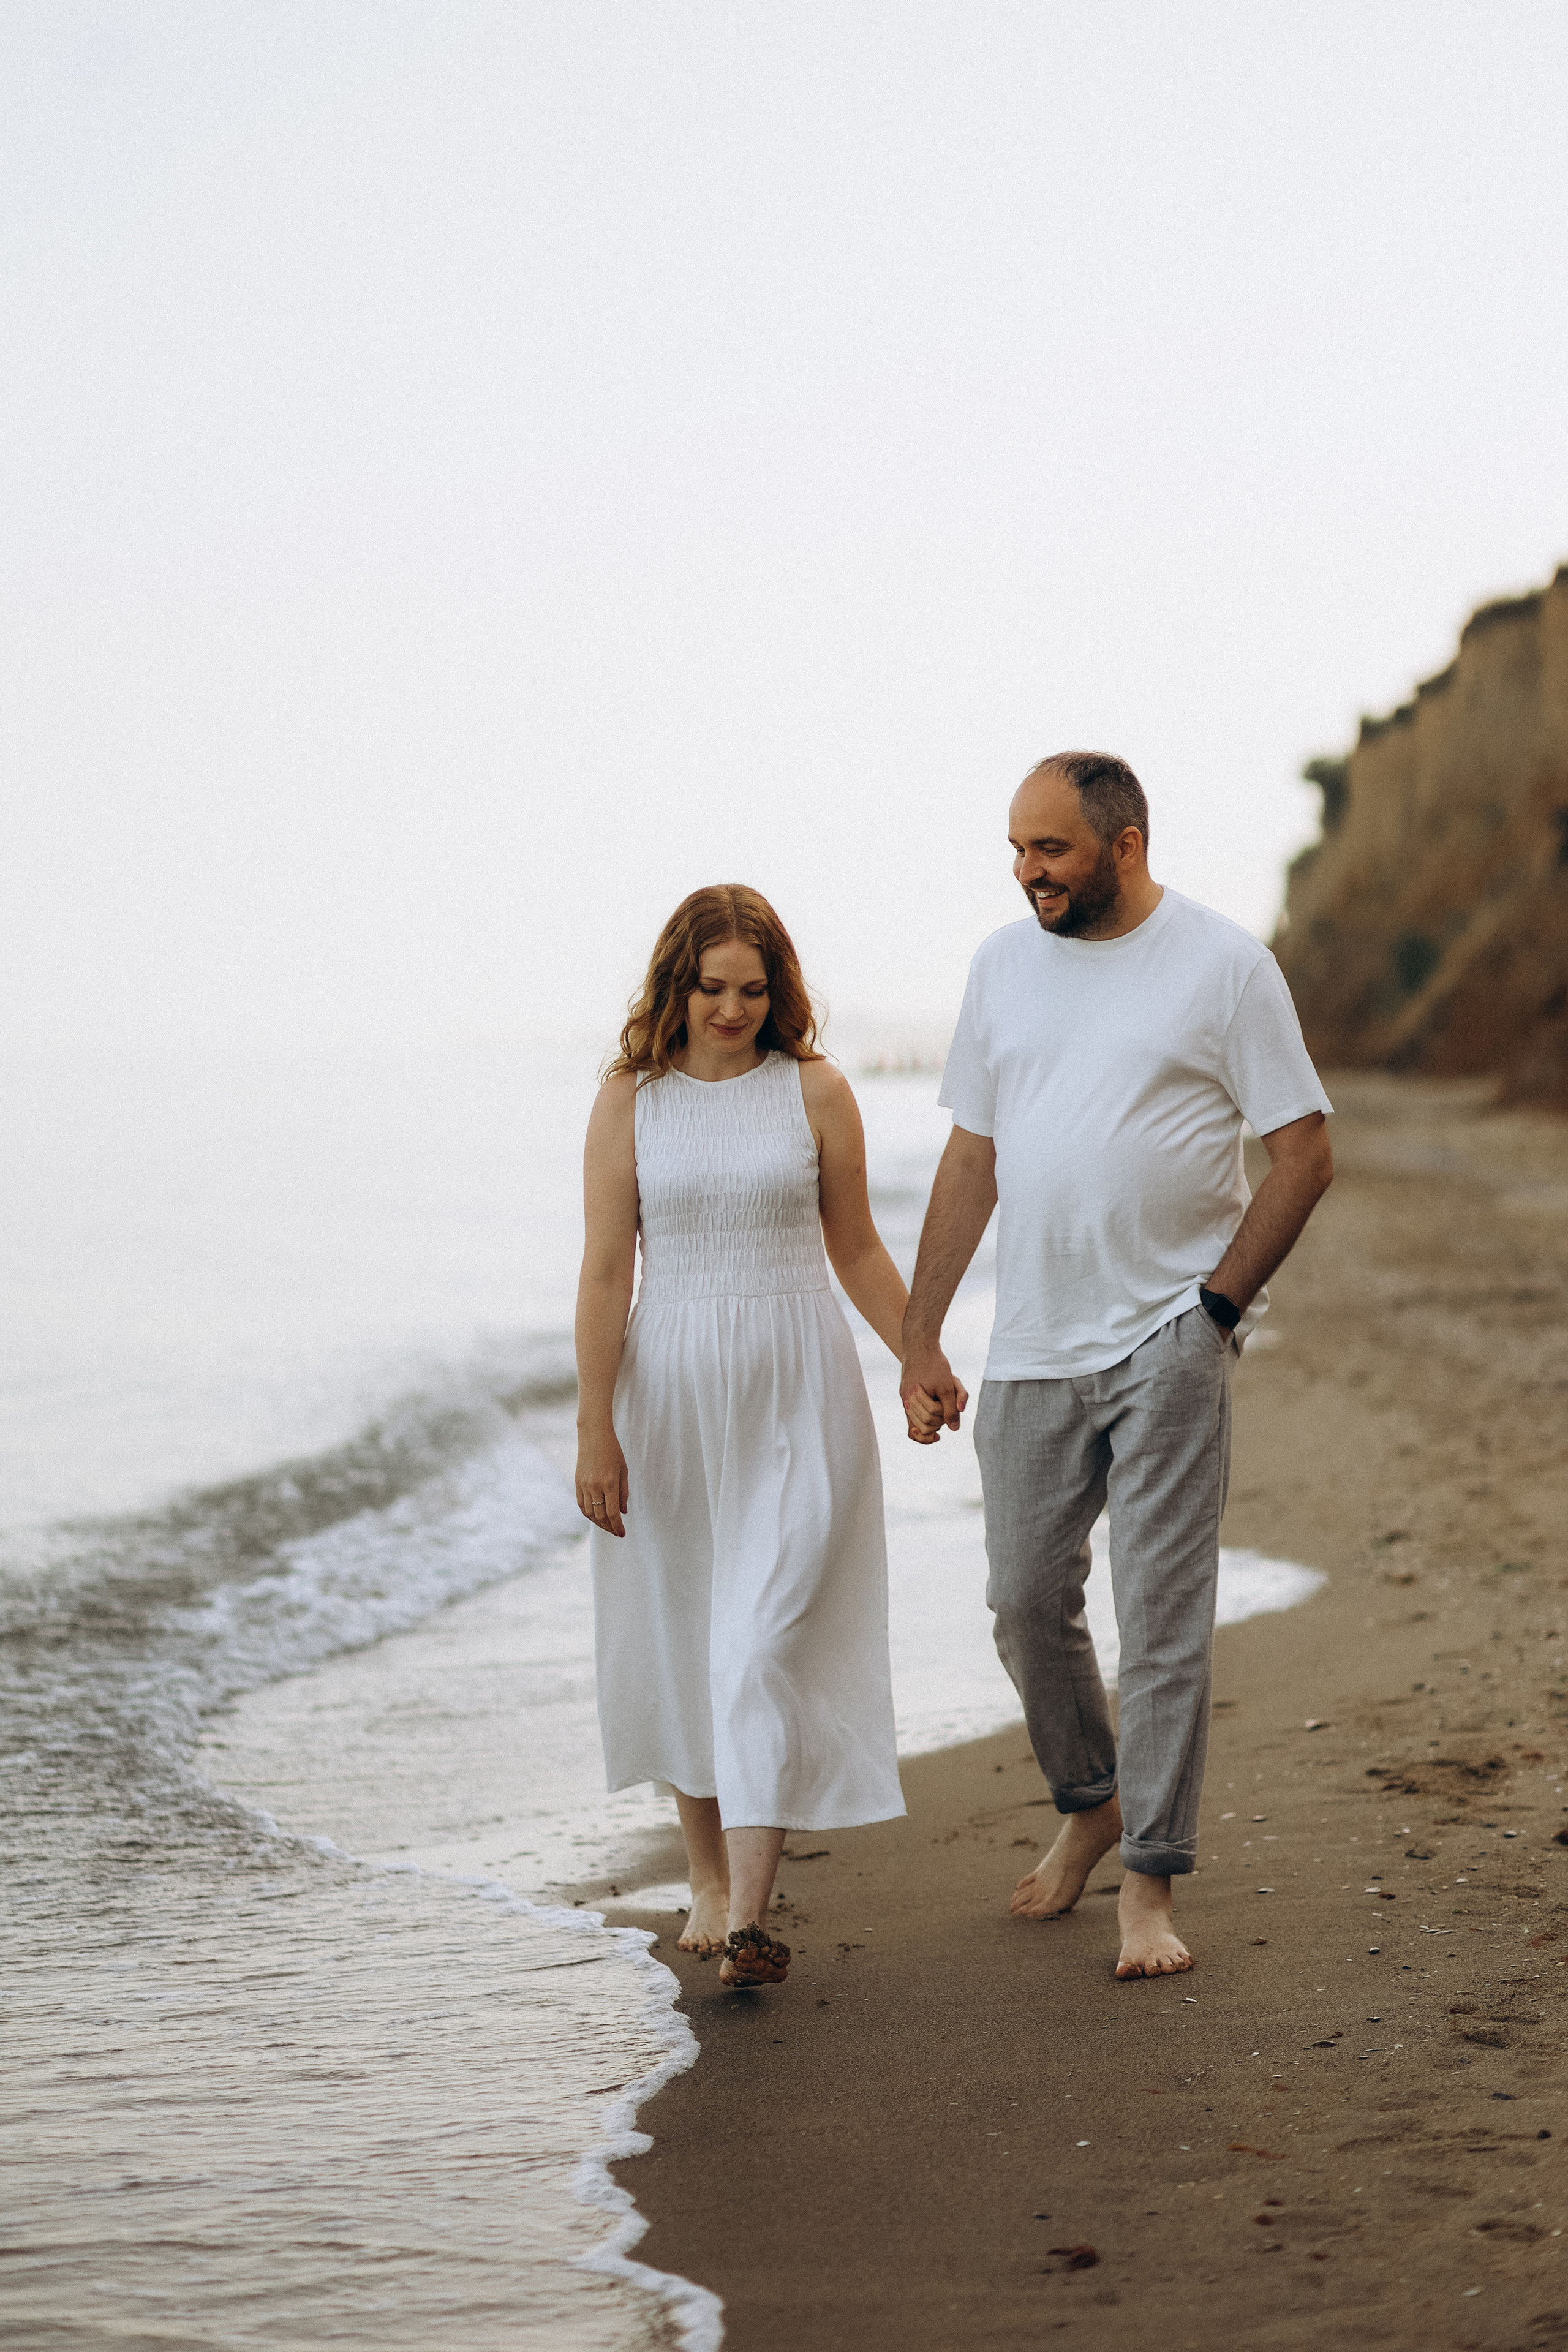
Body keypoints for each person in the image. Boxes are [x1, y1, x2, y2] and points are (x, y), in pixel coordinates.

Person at [900, 753, 1333, 1980]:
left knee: (1159, 1622)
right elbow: (969, 1157)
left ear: (1124, 845)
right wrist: (920, 1334)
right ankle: (1088, 1798)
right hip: (1033, 1339)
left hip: (1166, 1336)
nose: (1025, 874)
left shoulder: (1223, 967)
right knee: (1021, 1600)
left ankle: (1148, 1885)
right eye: (1015, 852)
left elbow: (1301, 1152)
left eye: (1048, 851)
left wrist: (1214, 1310)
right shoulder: (999, 966)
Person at [575, 884, 935, 1990]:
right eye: (712, 987)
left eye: (753, 989)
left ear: (779, 991)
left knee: (761, 1642)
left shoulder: (818, 1093)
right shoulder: (630, 1099)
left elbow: (859, 1250)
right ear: (674, 985)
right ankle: (710, 1879)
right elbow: (603, 1272)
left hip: (797, 1387)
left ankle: (750, 1924)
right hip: (669, 1392)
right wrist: (596, 1425)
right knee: (687, 1636)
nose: (732, 1009)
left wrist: (919, 1355)